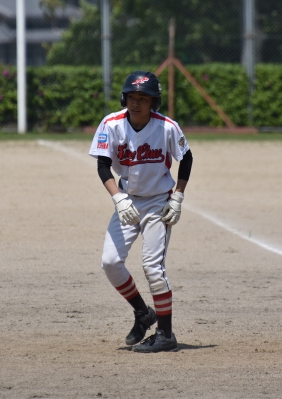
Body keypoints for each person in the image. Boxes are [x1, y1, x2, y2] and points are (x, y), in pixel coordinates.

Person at [88, 70, 193, 353]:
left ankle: (166, 335)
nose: (136, 103)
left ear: (153, 102)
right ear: (124, 98)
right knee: (110, 262)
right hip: (128, 200)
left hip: (158, 202)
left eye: (143, 98)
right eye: (132, 97)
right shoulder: (111, 124)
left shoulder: (167, 127)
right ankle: (143, 313)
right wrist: (118, 199)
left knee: (152, 268)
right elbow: (102, 165)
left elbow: (186, 158)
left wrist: (178, 197)